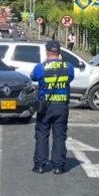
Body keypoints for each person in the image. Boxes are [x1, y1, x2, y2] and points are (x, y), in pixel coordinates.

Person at [31, 39, 75, 175]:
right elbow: (70, 78)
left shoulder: (41, 67)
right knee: (59, 136)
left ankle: (40, 165)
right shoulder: (68, 67)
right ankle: (58, 166)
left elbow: (33, 77)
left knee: (42, 135)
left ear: (47, 52)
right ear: (59, 53)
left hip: (45, 106)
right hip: (61, 106)